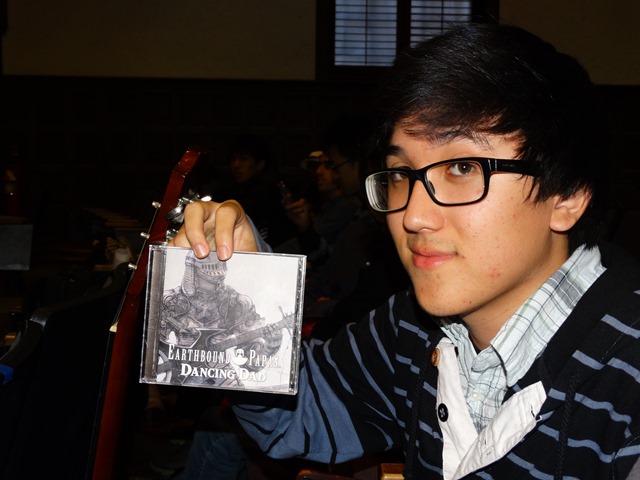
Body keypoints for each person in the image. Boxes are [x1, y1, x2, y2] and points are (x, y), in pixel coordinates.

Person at [170, 23, 640, 479]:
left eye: (462, 167)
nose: (412, 215)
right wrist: (242, 276)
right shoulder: (413, 326)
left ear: (567, 195)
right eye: (400, 175)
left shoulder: (627, 376)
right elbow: (296, 418)